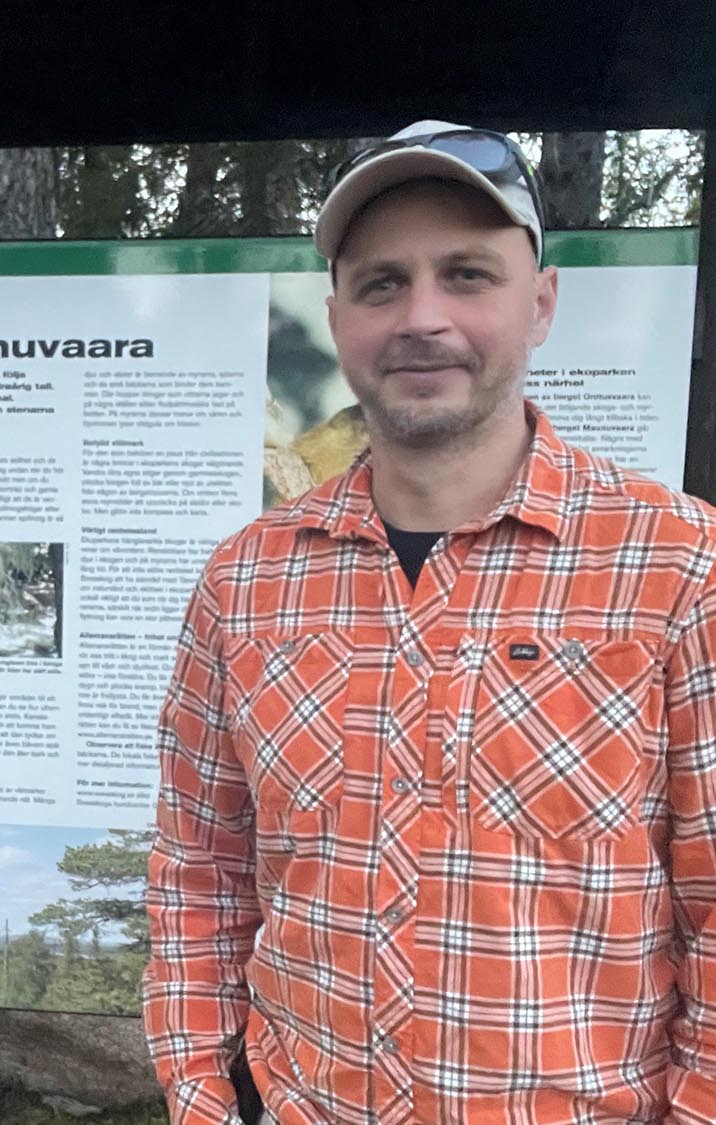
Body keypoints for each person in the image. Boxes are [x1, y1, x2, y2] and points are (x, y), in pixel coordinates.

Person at [143, 119, 716, 1124]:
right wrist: (201, 1097)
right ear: (336, 318)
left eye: (466, 275)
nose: (423, 318)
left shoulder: (680, 568)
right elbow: (201, 873)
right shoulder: (245, 584)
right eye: (381, 283)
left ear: (540, 303)